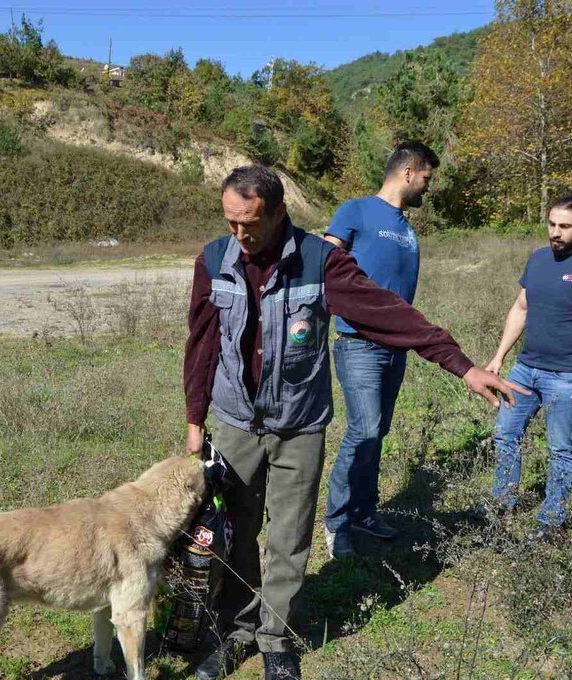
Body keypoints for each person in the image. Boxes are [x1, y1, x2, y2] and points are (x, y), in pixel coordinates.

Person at [184, 165, 526, 680]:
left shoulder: (322, 261)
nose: (239, 234)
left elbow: (387, 313)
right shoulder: (213, 260)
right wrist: (195, 418)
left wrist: (462, 364)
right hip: (234, 422)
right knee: (236, 530)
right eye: (230, 222)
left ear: (279, 213)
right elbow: (202, 342)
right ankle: (237, 631)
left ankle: (276, 639)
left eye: (249, 223)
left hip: (299, 423)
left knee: (290, 536)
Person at [483, 196, 572, 542]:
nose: (555, 233)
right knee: (505, 434)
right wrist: (500, 356)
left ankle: (551, 519)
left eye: (565, 226)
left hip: (568, 376)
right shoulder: (538, 259)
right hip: (524, 369)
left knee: (560, 449)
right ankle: (503, 502)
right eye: (551, 224)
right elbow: (521, 308)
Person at [321, 141, 439, 551]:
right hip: (359, 343)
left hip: (396, 347)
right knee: (364, 428)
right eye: (426, 177)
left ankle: (364, 512)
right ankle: (336, 524)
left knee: (378, 431)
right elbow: (326, 266)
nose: (427, 186)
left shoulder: (406, 225)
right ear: (408, 173)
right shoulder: (355, 210)